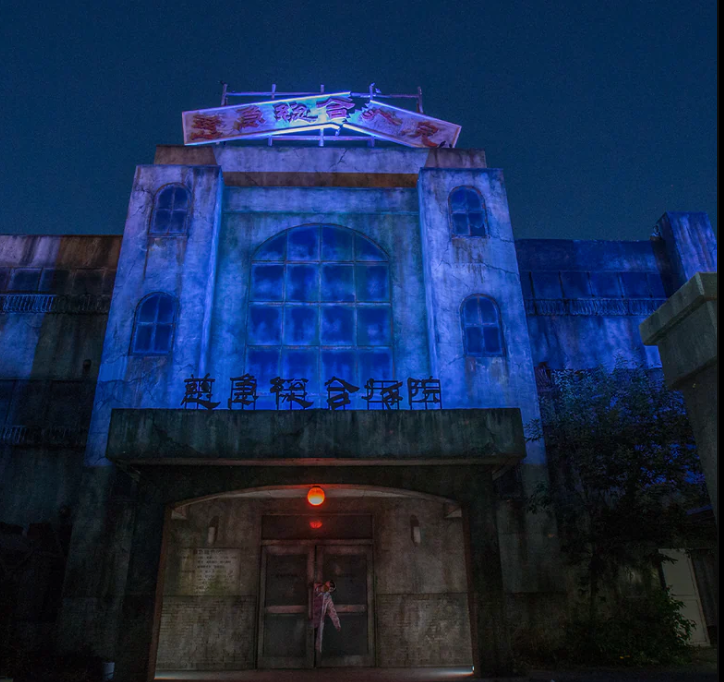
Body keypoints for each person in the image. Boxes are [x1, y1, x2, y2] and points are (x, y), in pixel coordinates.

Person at [311, 580, 341, 653]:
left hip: (318, 622)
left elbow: (332, 611)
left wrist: (337, 624)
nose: (328, 590)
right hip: (308, 619)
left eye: (330, 590)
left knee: (315, 645)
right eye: (328, 588)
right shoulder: (312, 589)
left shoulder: (327, 596)